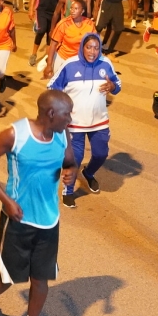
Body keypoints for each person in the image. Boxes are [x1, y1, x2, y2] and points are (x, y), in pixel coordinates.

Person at [0, 90, 76, 316]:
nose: (71, 119)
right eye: (67, 114)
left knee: (40, 280)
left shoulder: (63, 135)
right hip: (17, 221)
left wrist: (70, 172)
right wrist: (5, 199)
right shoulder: (15, 135)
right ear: (51, 114)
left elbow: (70, 161)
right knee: (8, 277)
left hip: (49, 222)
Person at [49, 33, 120, 208]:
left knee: (101, 154)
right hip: (74, 123)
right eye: (89, 47)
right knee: (76, 157)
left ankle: (88, 173)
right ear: (82, 47)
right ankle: (69, 190)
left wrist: (113, 86)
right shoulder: (70, 64)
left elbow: (117, 84)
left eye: (97, 48)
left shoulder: (106, 63)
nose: (93, 51)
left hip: (99, 121)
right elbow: (52, 86)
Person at [44, 0, 96, 80]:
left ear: (82, 11)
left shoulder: (89, 24)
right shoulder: (63, 24)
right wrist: (49, 65)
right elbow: (53, 45)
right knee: (58, 87)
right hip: (63, 59)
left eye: (76, 8)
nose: (72, 11)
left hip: (79, 61)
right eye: (71, 8)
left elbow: (95, 44)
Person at [29, 0, 67, 65]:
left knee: (51, 35)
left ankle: (47, 57)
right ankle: (33, 54)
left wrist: (62, 14)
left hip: (54, 12)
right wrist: (31, 8)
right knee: (41, 31)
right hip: (41, 9)